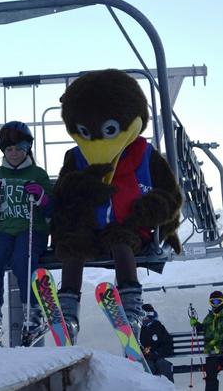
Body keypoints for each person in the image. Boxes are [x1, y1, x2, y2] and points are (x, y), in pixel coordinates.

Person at [51, 69, 183, 344]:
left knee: (121, 244)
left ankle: (131, 309)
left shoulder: (144, 156)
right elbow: (62, 194)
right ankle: (68, 314)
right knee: (74, 248)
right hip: (89, 228)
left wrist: (149, 211)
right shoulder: (76, 157)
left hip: (128, 228)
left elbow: (169, 194)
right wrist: (83, 186)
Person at [0, 121, 53, 347]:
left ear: (27, 149)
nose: (14, 154)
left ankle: (33, 314)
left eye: (19, 149)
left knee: (24, 260)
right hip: (3, 229)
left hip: (32, 229)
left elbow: (51, 209)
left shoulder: (38, 174)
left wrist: (41, 197)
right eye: (9, 149)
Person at [140, 303, 174, 382]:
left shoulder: (159, 327)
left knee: (162, 365)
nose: (144, 320)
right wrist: (143, 351)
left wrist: (156, 353)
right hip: (147, 358)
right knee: (147, 367)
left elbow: (167, 344)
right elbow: (140, 344)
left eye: (145, 317)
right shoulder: (141, 329)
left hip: (158, 355)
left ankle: (168, 387)